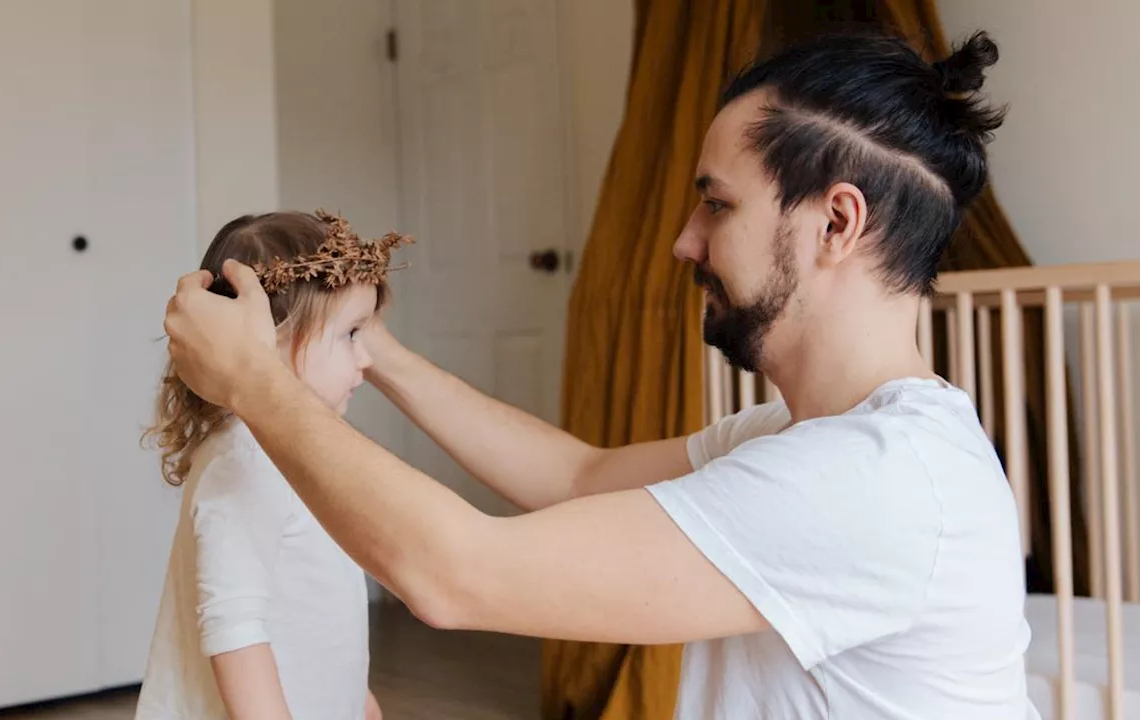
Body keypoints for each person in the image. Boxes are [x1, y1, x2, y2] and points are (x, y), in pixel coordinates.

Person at [162, 30, 1040, 719]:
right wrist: (367, 347)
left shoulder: (870, 483)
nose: (684, 242)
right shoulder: (802, 439)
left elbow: (454, 574)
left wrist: (257, 383)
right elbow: (575, 475)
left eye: (717, 202)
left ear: (836, 223)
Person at [136, 210, 410, 720]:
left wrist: (357, 697)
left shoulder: (303, 447)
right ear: (273, 341)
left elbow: (320, 597)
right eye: (350, 333)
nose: (366, 358)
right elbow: (233, 628)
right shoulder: (245, 460)